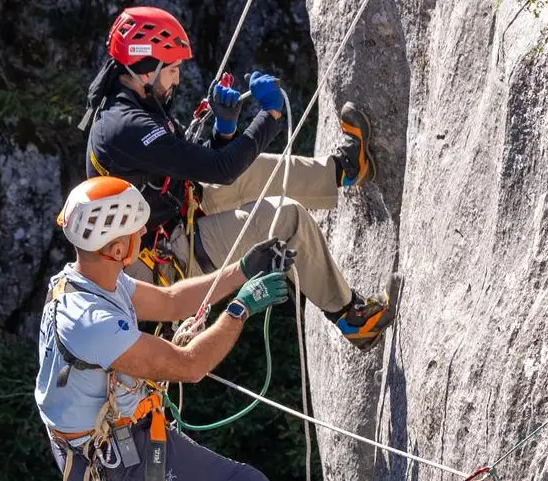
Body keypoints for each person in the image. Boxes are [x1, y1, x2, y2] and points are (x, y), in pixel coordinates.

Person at [79, 6, 394, 352]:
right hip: (165, 258)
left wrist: (224, 131)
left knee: (252, 170)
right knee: (285, 218)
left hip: (174, 216)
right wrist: (270, 116)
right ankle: (352, 317)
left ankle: (345, 170)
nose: (177, 79)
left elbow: (201, 164)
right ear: (145, 71)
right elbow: (220, 169)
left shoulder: (133, 102)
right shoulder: (126, 127)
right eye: (171, 70)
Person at [37, 176, 296, 481]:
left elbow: (172, 301)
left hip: (117, 436)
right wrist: (241, 308)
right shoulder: (90, 323)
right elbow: (190, 365)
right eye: (137, 229)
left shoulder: (91, 281)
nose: (145, 231)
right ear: (118, 249)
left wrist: (242, 269)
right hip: (114, 457)